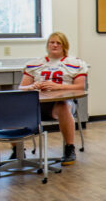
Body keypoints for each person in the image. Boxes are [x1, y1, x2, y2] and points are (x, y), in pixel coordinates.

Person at [20, 32, 88, 165]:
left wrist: (58, 86)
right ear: (47, 45)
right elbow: (21, 87)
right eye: (52, 42)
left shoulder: (75, 63)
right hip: (38, 103)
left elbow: (80, 86)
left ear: (64, 46)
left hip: (62, 102)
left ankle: (69, 148)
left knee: (63, 106)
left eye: (58, 43)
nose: (55, 45)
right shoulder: (35, 64)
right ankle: (17, 150)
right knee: (13, 106)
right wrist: (32, 86)